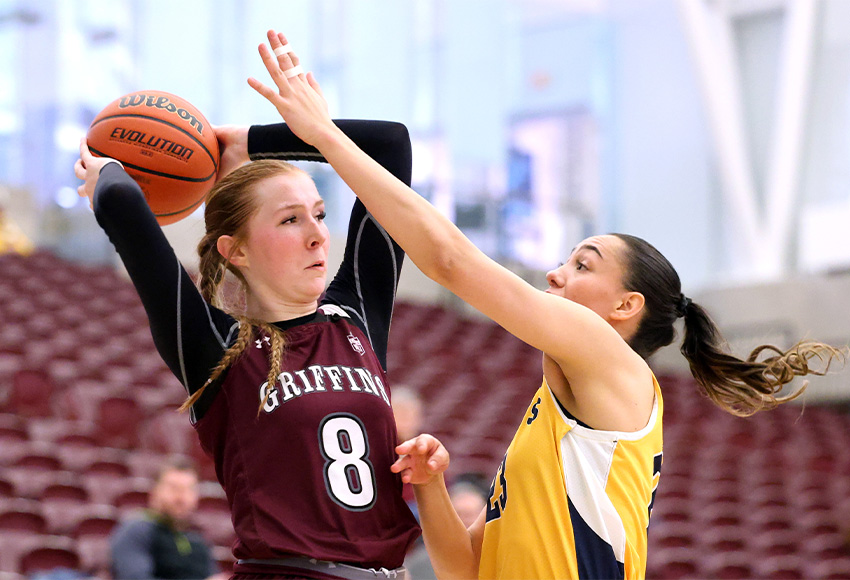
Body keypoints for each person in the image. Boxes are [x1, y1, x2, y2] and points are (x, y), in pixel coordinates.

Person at [244, 29, 846, 579]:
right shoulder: (554, 430)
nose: (556, 274)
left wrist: (323, 135)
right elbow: (464, 570)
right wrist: (430, 488)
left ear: (625, 306)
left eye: (582, 265)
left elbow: (451, 261)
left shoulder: (611, 359)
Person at [75, 88, 420, 576]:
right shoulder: (215, 346)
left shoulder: (356, 317)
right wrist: (106, 164)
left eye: (319, 214)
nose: (319, 233)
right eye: (290, 219)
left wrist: (249, 144)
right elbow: (121, 198)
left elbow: (389, 146)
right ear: (236, 251)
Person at [110, 458, 222, 580]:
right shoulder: (137, 530)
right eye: (173, 488)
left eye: (189, 489)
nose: (181, 498)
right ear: (155, 491)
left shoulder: (197, 539)